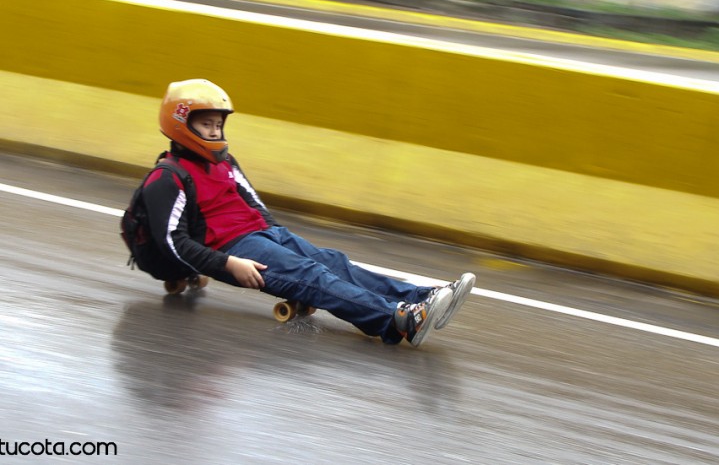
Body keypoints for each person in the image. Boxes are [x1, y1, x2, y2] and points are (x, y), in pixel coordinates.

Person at [141, 78, 476, 347]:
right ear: (182, 125)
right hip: (231, 249)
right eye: (206, 125)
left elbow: (253, 201)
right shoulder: (167, 178)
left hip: (261, 235)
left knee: (333, 262)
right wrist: (227, 264)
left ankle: (423, 297)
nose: (215, 132)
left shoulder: (224, 161)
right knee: (312, 277)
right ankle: (399, 321)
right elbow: (174, 242)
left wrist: (276, 236)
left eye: (218, 124)